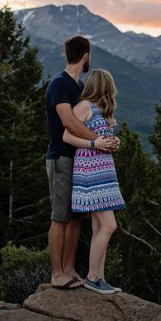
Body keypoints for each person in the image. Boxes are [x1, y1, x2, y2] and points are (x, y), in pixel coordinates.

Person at [45, 36, 118, 290]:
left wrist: (104, 141)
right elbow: (69, 122)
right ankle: (57, 274)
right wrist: (98, 141)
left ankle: (69, 270)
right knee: (60, 217)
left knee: (76, 217)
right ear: (86, 56)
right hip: (61, 156)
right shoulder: (60, 83)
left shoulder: (79, 86)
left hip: (79, 160)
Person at [62, 68, 126, 295]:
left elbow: (100, 139)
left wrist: (113, 142)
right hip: (90, 171)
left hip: (104, 171)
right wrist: (94, 144)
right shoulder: (84, 106)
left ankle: (100, 277)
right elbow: (66, 136)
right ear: (105, 86)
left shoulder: (101, 110)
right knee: (109, 225)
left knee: (99, 226)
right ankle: (92, 277)